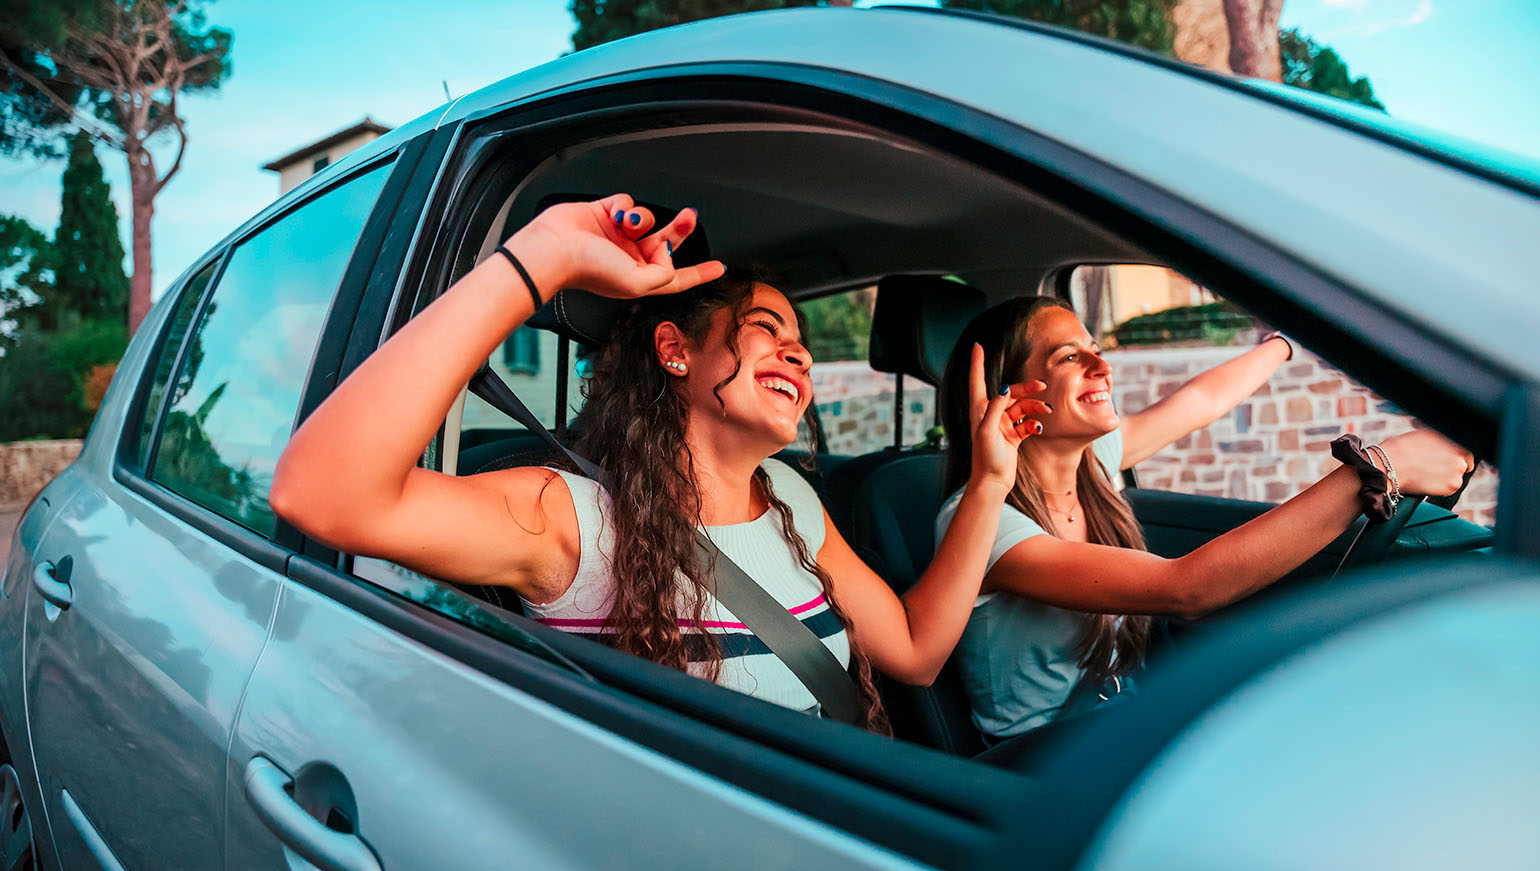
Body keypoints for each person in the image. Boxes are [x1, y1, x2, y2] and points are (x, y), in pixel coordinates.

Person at [271, 194, 1049, 730]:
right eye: (765, 327)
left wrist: (987, 484)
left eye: (801, 340)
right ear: (675, 351)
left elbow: (914, 655)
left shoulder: (789, 498)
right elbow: (322, 495)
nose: (800, 351)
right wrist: (540, 259)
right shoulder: (567, 518)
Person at [935, 296, 1474, 742]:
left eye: (1096, 350)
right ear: (1006, 396)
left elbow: (1202, 399)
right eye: (1069, 358)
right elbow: (1185, 588)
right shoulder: (983, 520)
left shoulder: (1092, 464)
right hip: (1042, 765)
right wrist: (1378, 469)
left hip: (1120, 726)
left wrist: (1289, 341)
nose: (1103, 367)